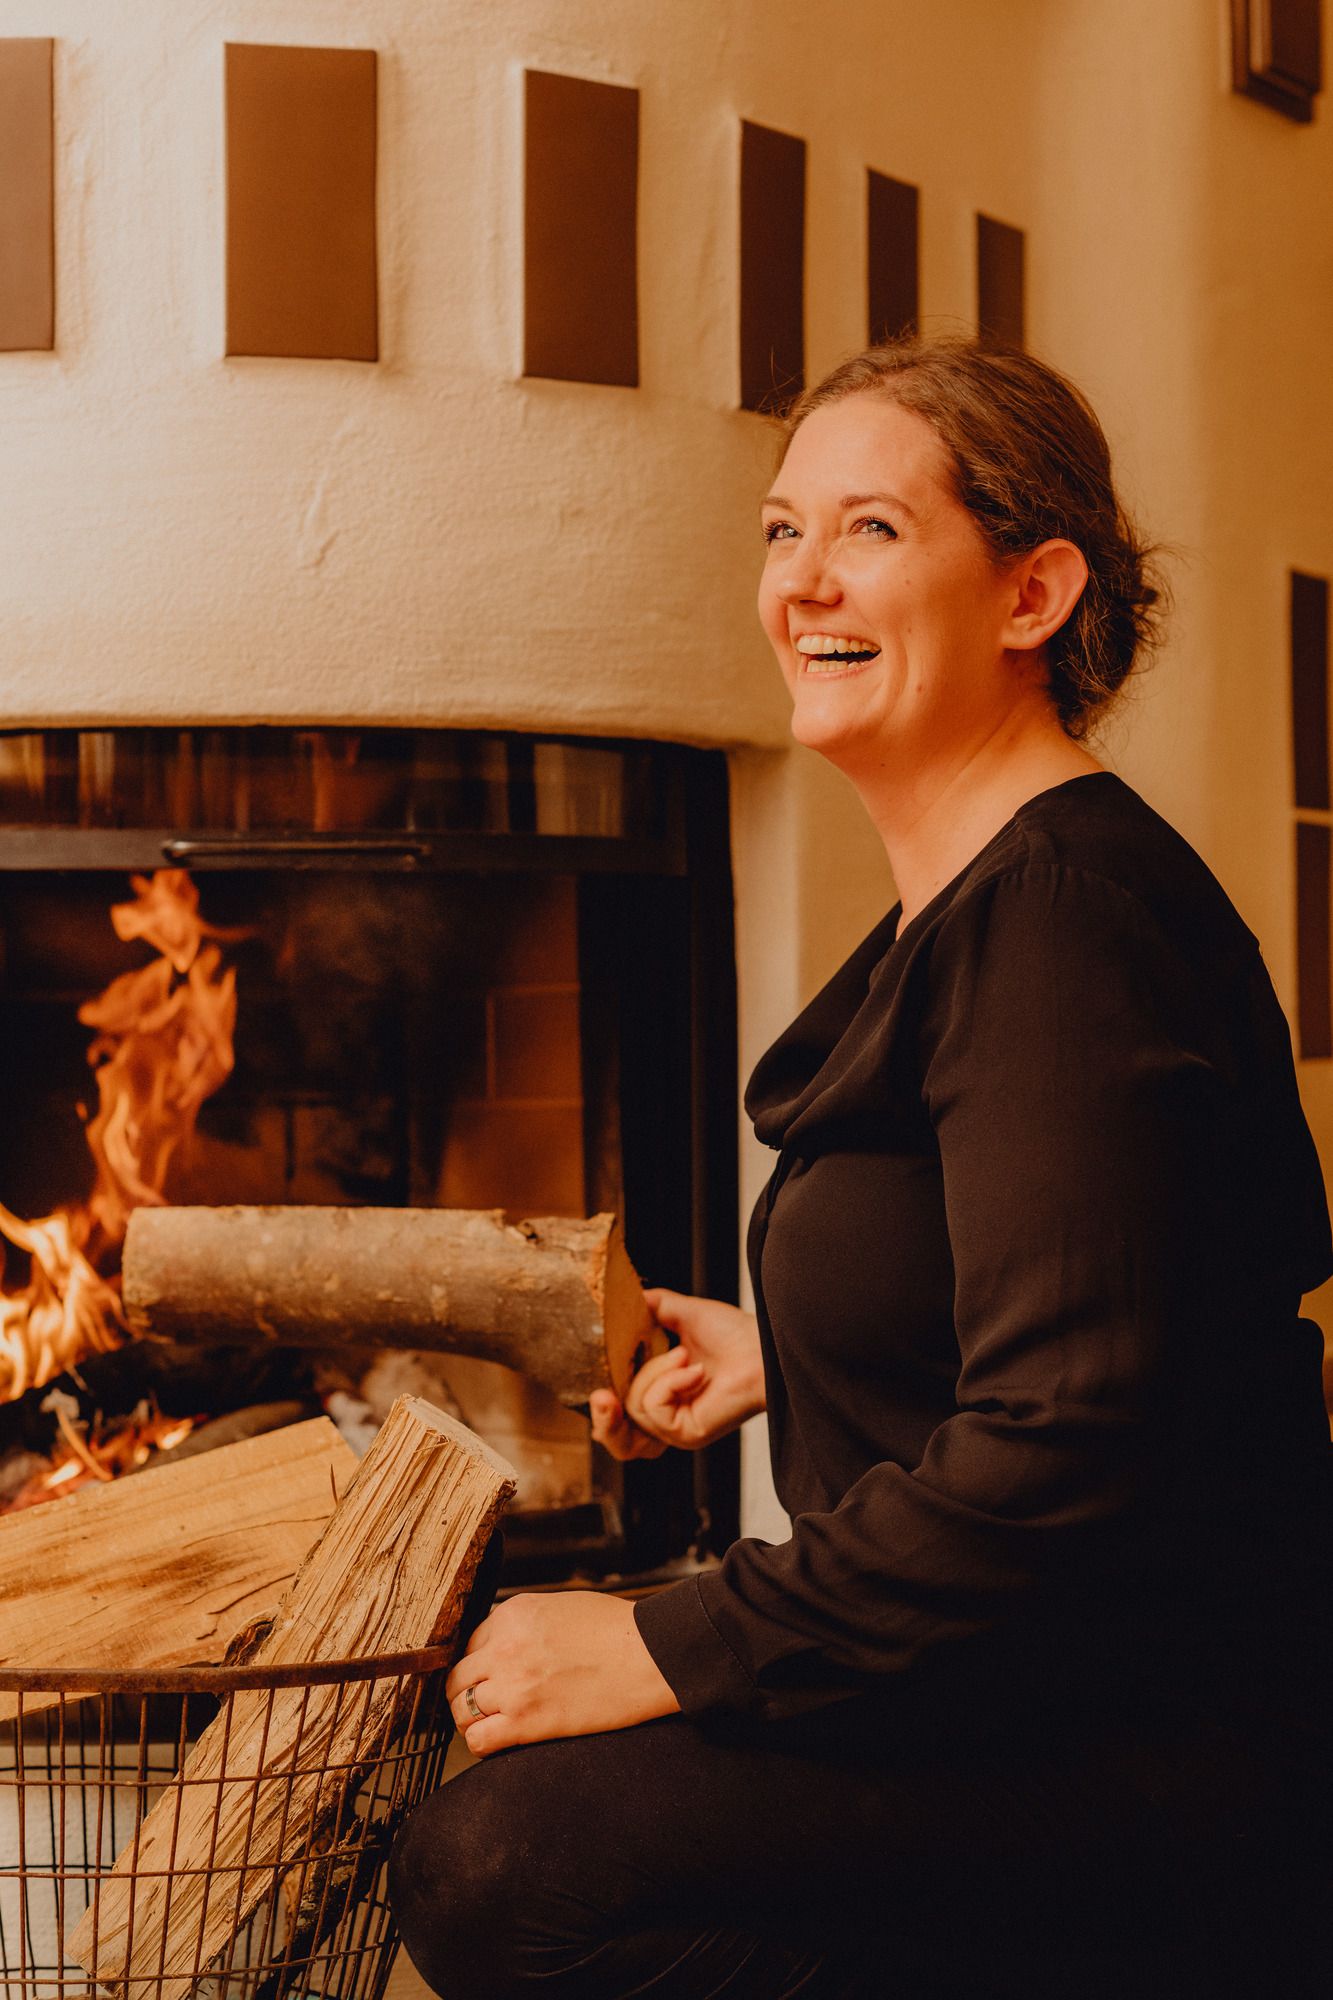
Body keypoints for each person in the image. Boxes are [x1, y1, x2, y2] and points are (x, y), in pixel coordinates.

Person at [389, 337, 1333, 1997]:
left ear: (1032, 594)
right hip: (1043, 1686)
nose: (802, 580)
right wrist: (793, 1355)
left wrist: (657, 1642)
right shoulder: (982, 902)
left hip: (1148, 1742)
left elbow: (1060, 1447)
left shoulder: (1057, 924)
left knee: (503, 1871)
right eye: (778, 530)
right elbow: (1096, 1305)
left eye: (872, 530)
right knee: (507, 1841)